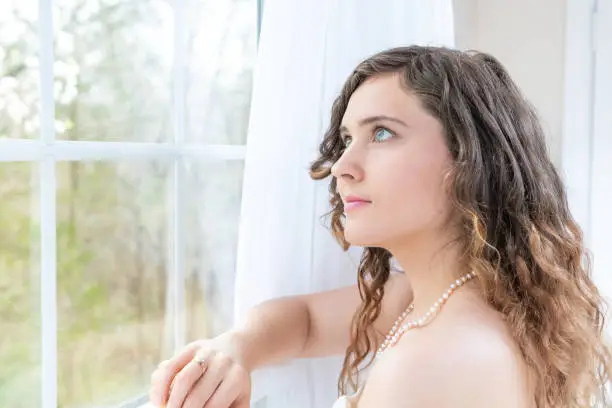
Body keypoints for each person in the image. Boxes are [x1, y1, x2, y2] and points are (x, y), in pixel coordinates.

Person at [148, 45, 612, 408]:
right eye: (348, 139)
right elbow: (306, 323)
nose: (342, 166)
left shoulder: (435, 358)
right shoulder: (441, 298)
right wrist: (236, 348)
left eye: (382, 133)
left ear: (469, 161)